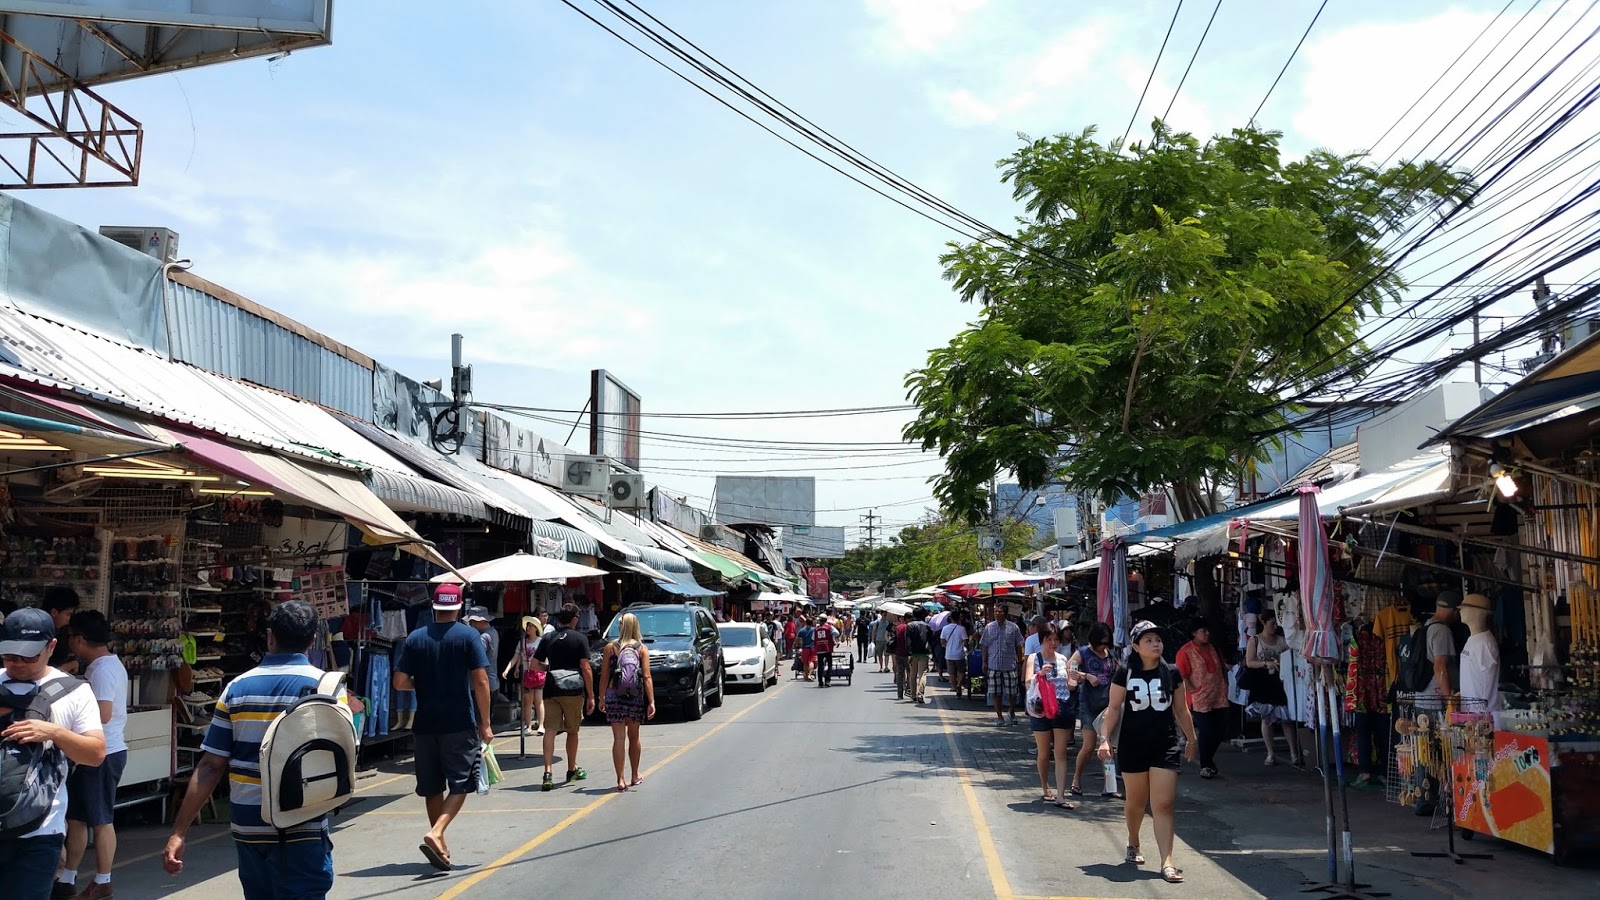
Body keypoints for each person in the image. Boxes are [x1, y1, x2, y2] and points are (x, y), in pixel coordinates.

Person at [162, 601, 342, 899]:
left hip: (250, 829)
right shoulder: (328, 688)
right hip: (303, 824)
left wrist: (178, 832)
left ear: (269, 637)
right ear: (313, 640)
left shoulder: (236, 689)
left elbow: (210, 766)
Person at [1, 608, 105, 900]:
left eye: (28, 656)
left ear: (51, 647)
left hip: (39, 833)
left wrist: (54, 733)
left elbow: (96, 753)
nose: (17, 663)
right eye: (9, 655)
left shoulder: (75, 692)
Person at [392, 583, 493, 871]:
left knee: (432, 786)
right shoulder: (469, 636)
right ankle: (437, 832)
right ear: (459, 608)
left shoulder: (416, 638)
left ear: (434, 607)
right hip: (458, 722)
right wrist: (486, 723)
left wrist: (423, 684)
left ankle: (441, 845)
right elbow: (481, 681)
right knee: (463, 782)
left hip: (425, 724)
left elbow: (399, 682)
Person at [1098, 620, 1198, 885]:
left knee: (1163, 804)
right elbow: (1114, 708)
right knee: (1136, 801)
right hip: (1132, 744)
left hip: (1165, 745)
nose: (1156, 644)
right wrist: (1105, 740)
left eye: (1158, 640)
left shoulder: (1172, 672)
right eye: (1149, 640)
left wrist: (1191, 739)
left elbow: (1181, 710)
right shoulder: (1125, 672)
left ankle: (1167, 862)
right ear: (1136, 647)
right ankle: (1133, 842)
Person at [55, 612, 128, 899]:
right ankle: (68, 877)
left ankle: (103, 880)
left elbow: (103, 713)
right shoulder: (105, 665)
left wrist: (68, 721)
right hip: (93, 752)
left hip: (103, 752)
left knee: (100, 818)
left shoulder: (102, 670)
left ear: (80, 639)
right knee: (77, 817)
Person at [531, 604, 595, 792]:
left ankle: (547, 773)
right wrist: (591, 695)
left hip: (551, 688)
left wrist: (550, 670)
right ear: (574, 619)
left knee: (550, 730)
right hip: (573, 690)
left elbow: (534, 665)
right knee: (572, 730)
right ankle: (571, 769)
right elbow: (586, 668)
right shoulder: (580, 638)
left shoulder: (548, 637)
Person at [1024, 623, 1082, 808]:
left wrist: (1075, 680)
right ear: (1042, 640)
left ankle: (1061, 796)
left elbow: (1070, 685)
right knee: (1043, 753)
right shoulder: (1034, 658)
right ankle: (1045, 787)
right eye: (1049, 639)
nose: (1053, 643)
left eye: (1056, 639)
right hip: (1041, 708)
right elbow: (1027, 682)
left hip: (1061, 707)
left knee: (1060, 752)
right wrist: (1039, 674)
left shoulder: (1063, 659)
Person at [597, 613, 655, 792]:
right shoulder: (641, 649)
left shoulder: (610, 648)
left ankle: (620, 780)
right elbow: (646, 676)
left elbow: (604, 675)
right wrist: (651, 701)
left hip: (614, 695)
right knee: (634, 736)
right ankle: (635, 775)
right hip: (635, 696)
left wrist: (601, 697)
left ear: (621, 627)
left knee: (618, 738)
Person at [1243, 608, 1302, 767]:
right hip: (1263, 682)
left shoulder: (1283, 641)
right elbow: (1249, 662)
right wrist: (1265, 663)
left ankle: (1294, 753)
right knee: (1267, 718)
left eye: (1277, 623)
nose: (1275, 626)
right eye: (1272, 623)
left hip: (1281, 682)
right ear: (1263, 622)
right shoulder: (1254, 640)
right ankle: (1270, 753)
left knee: (1286, 718)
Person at [1069, 623, 1120, 799]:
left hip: (1107, 706)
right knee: (1089, 746)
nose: (1103, 646)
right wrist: (1086, 676)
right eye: (1101, 642)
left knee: (1108, 748)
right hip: (1089, 705)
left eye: (1106, 643)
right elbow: (1070, 669)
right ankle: (1076, 779)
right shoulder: (1083, 652)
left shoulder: (1110, 656)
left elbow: (1119, 673)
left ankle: (1109, 786)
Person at [1175, 621, 1228, 779]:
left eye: (1207, 630)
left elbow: (1222, 667)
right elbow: (1181, 674)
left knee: (1220, 730)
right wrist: (1193, 689)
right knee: (1206, 730)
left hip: (1219, 695)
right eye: (1203, 631)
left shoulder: (1214, 648)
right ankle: (1205, 764)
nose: (1207, 633)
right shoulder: (1186, 651)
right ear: (1194, 633)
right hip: (1199, 698)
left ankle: (1209, 760)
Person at [980, 604, 1025, 726]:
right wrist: (984, 662)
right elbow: (984, 645)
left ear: (1005, 613)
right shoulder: (989, 627)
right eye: (996, 611)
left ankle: (1011, 711)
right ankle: (999, 716)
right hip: (993, 665)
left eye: (1000, 612)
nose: (997, 613)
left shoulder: (1013, 628)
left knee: (1012, 692)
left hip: (1009, 665)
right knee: (996, 693)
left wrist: (1019, 662)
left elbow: (1019, 645)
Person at [502, 615, 546, 736]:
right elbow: (516, 657)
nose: (528, 628)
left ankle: (541, 725)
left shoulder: (541, 641)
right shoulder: (522, 642)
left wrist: (546, 670)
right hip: (527, 674)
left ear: (536, 628)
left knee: (539, 700)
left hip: (539, 673)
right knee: (527, 702)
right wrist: (508, 669)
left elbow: (545, 658)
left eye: (531, 626)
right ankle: (528, 726)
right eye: (527, 626)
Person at [41, 587, 81, 675]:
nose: (69, 619)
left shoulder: (61, 632)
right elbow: (39, 671)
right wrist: (69, 666)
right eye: (68, 614)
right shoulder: (40, 635)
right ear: (54, 612)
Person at [466, 607, 501, 696]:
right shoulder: (494, 632)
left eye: (472, 622)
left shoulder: (483, 638)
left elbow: (475, 659)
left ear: (479, 621)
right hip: (493, 681)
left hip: (483, 684)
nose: (470, 625)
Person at [905, 609, 932, 703]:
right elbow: (930, 640)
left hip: (913, 653)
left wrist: (909, 653)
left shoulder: (910, 625)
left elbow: (908, 641)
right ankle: (920, 694)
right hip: (924, 653)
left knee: (913, 675)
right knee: (923, 674)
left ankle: (913, 695)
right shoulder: (927, 626)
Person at [942, 612, 970, 698]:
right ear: (959, 618)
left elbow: (942, 642)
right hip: (959, 654)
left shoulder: (945, 628)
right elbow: (966, 642)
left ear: (951, 618)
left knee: (952, 673)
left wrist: (948, 646)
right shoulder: (961, 629)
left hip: (949, 654)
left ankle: (955, 688)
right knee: (961, 671)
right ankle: (959, 684)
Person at [889, 614, 911, 699]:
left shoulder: (897, 627)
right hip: (906, 653)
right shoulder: (908, 627)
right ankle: (909, 690)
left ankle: (900, 694)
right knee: (910, 672)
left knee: (900, 673)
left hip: (898, 653)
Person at [812, 615, 838, 687]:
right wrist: (832, 638)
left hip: (819, 649)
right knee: (829, 665)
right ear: (826, 620)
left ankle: (820, 681)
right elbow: (837, 633)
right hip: (827, 648)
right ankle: (827, 681)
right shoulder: (830, 627)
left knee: (820, 665)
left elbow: (813, 638)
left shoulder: (816, 629)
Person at [796, 616, 816, 681]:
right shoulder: (814, 630)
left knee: (805, 663)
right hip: (813, 648)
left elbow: (797, 639)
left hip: (805, 648)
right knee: (811, 661)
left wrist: (799, 645)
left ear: (806, 623)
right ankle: (810, 674)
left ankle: (806, 676)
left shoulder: (802, 630)